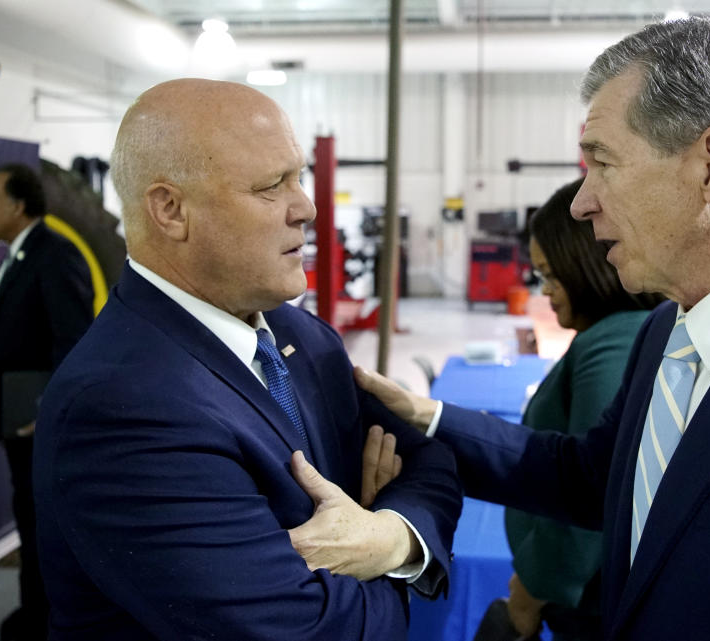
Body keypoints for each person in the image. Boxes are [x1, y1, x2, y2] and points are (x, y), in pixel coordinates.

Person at [355, 18, 710, 641]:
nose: (580, 202)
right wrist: (426, 416)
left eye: (603, 164)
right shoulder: (664, 332)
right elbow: (593, 478)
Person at [32, 78, 461, 641]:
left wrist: (389, 538)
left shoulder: (301, 336)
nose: (305, 206)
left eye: (299, 177)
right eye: (270, 186)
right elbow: (309, 632)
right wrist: (388, 569)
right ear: (170, 210)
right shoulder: (122, 409)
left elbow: (430, 463)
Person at [502, 177, 663, 640]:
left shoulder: (612, 342)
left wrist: (535, 588)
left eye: (552, 276)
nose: (546, 292)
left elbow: (594, 485)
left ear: (589, 266)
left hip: (584, 604)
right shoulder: (613, 335)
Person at [0, 162, 94, 641]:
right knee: (29, 517)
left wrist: (46, 411)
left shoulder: (54, 256)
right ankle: (32, 611)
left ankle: (42, 622)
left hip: (36, 427)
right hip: (16, 424)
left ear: (18, 206)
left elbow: (74, 340)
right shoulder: (22, 253)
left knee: (41, 524)